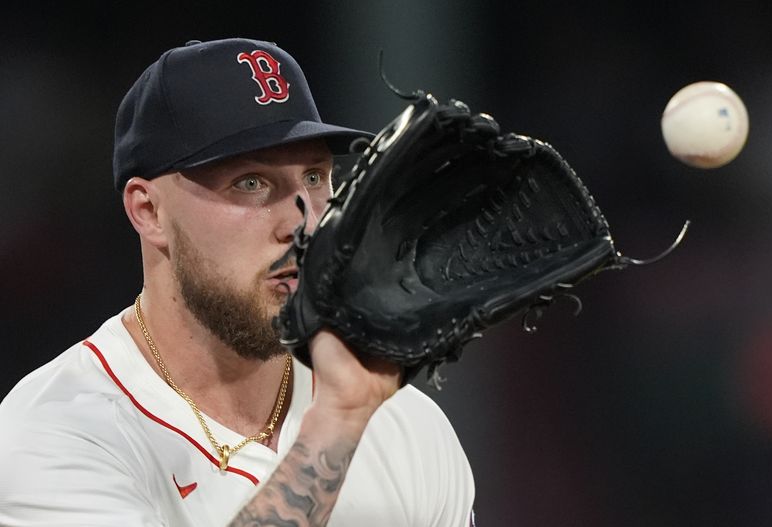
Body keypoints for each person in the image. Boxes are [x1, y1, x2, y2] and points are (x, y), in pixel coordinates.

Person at [0, 38, 475, 526]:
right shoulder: (56, 431)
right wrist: (338, 426)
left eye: (315, 178)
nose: (305, 224)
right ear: (149, 211)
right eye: (251, 183)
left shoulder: (405, 428)